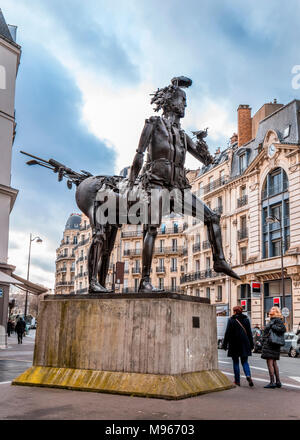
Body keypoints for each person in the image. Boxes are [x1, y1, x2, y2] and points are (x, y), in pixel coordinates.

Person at [222, 305, 254, 387]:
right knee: (245, 362)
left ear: (235, 311)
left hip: (234, 344)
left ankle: (237, 381)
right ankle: (248, 375)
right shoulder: (246, 320)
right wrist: (251, 344)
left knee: (235, 362)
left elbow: (227, 333)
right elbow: (249, 333)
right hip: (244, 343)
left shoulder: (231, 320)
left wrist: (225, 344)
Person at [261, 306, 286, 388]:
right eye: (271, 308)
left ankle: (272, 382)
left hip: (271, 343)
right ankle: (278, 382)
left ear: (276, 311)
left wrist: (272, 326)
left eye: (272, 309)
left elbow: (283, 329)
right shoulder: (272, 320)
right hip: (271, 343)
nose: (270, 310)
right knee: (274, 363)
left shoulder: (277, 320)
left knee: (270, 363)